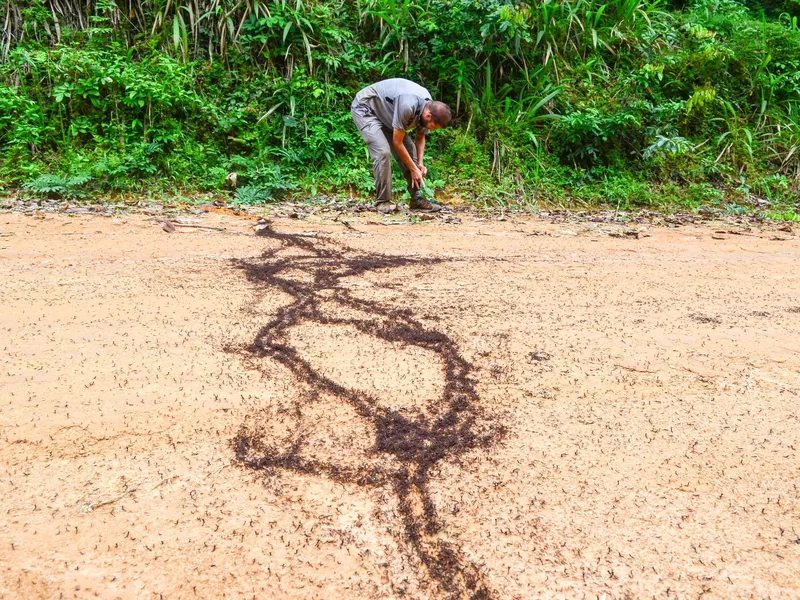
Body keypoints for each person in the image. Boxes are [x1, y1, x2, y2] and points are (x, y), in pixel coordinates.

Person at [351, 78, 452, 213]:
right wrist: (413, 169)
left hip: (387, 114)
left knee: (411, 152)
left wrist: (420, 164)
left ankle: (416, 199)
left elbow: (420, 136)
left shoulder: (428, 105)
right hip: (366, 108)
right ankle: (383, 202)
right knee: (383, 152)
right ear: (428, 115)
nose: (432, 130)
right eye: (433, 127)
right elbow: (397, 142)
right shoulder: (407, 105)